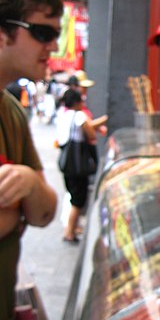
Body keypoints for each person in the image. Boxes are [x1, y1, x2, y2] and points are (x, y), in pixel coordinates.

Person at [0, 0, 61, 320]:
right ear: (3, 30)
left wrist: (29, 182)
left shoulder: (10, 112)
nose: (51, 46)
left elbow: (44, 213)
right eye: (42, 32)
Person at [56, 88, 107, 242]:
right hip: (77, 165)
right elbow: (90, 132)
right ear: (77, 102)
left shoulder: (64, 116)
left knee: (73, 196)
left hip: (67, 164)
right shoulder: (78, 116)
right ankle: (69, 233)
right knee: (78, 200)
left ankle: (72, 228)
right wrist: (102, 123)